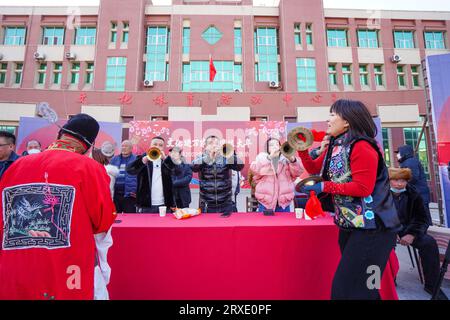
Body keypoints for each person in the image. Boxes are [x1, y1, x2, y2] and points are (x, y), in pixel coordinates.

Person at [0, 113, 116, 300]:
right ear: (88, 145)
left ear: (60, 134)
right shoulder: (89, 167)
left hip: (17, 264)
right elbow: (102, 221)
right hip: (67, 266)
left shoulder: (15, 166)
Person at [297, 99, 400, 300]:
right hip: (352, 227)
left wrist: (324, 186)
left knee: (345, 292)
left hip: (374, 230)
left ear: (347, 121)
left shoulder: (362, 146)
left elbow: (363, 188)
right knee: (367, 289)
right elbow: (314, 170)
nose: (328, 120)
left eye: (333, 114)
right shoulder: (335, 145)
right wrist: (302, 149)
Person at [389, 167, 448, 300]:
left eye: (403, 180)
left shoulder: (413, 193)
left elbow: (423, 218)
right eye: (396, 180)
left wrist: (411, 234)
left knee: (429, 243)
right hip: (389, 231)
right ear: (389, 181)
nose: (399, 184)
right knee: (383, 246)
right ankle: (389, 280)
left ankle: (432, 285)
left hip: (409, 230)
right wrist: (393, 232)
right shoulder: (382, 194)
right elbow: (379, 216)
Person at [191, 135, 244, 214]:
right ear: (205, 146)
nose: (214, 145)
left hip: (225, 203)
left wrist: (230, 156)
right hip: (207, 204)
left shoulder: (226, 158)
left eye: (216, 143)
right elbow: (193, 167)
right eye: (211, 143)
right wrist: (208, 157)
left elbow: (240, 166)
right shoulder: (201, 157)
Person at [250, 138, 302, 212]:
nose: (275, 146)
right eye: (271, 145)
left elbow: (297, 173)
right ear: (267, 149)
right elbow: (255, 171)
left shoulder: (286, 160)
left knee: (284, 223)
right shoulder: (261, 158)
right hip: (265, 203)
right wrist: (269, 158)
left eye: (277, 144)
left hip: (284, 203)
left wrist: (292, 160)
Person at [126, 136, 174, 213]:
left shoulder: (166, 161)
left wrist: (165, 159)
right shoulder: (142, 158)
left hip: (164, 205)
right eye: (155, 144)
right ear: (150, 146)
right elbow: (129, 170)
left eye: (160, 145)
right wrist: (142, 161)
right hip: (146, 204)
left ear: (163, 148)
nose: (157, 147)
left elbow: (178, 173)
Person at [396, 144, 431, 224]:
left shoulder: (410, 162)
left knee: (423, 217)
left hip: (419, 194)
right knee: (421, 216)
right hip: (418, 194)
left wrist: (400, 184)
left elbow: (413, 177)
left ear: (405, 153)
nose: (397, 155)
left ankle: (425, 233)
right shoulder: (408, 162)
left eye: (399, 153)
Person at [110, 140, 137, 213]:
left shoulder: (136, 159)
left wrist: (138, 192)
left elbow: (141, 177)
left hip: (130, 196)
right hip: (116, 195)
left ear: (131, 149)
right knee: (115, 217)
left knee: (130, 219)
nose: (123, 148)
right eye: (122, 146)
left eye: (126, 146)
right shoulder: (114, 159)